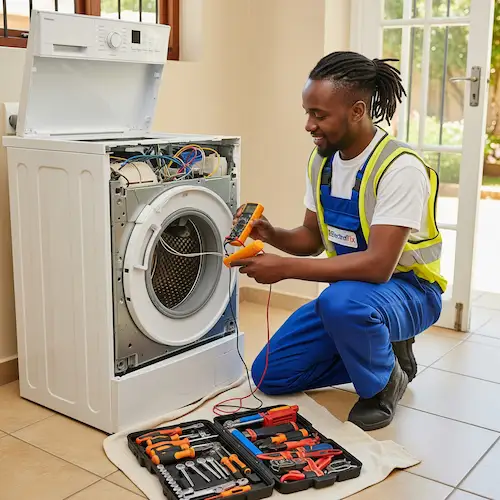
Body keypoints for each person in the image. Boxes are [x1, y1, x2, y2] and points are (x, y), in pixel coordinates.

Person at [230, 51, 447, 431]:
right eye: (307, 112)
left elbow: (379, 267)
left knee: (339, 301)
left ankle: (384, 384)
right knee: (269, 375)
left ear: (357, 110)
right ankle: (385, 352)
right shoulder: (322, 162)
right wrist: (273, 234)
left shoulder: (400, 168)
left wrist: (285, 269)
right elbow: (311, 239)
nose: (308, 125)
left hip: (409, 290)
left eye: (319, 114)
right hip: (351, 297)